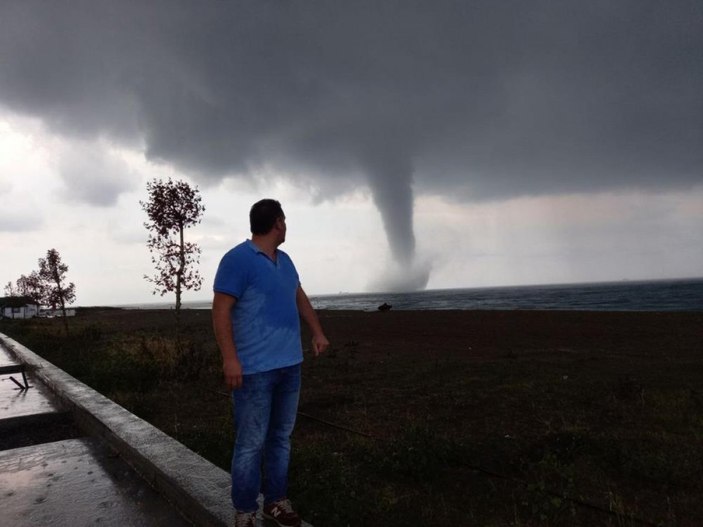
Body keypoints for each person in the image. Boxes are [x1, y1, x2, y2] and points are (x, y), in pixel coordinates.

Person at [212, 199, 329, 527]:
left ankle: (275, 501)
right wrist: (230, 358)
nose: (286, 226)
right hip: (254, 370)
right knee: (250, 441)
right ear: (278, 223)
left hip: (290, 365)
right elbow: (220, 310)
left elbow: (298, 296)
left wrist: (317, 332)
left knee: (280, 437)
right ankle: (245, 510)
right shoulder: (237, 260)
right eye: (285, 220)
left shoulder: (286, 261)